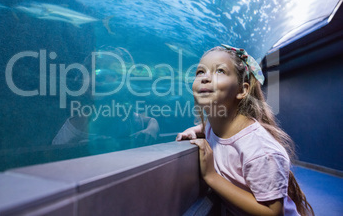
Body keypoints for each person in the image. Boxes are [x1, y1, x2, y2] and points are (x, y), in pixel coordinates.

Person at [176, 45, 313, 216]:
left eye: (219, 71)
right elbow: (208, 127)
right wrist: (195, 130)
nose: (205, 78)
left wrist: (211, 176)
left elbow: (273, 213)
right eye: (200, 72)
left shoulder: (259, 150)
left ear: (242, 90)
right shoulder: (217, 126)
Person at [52, 46, 159, 150]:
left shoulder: (128, 117)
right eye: (93, 69)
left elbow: (150, 121)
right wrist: (80, 147)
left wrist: (152, 128)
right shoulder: (74, 126)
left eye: (110, 71)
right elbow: (55, 155)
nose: (99, 76)